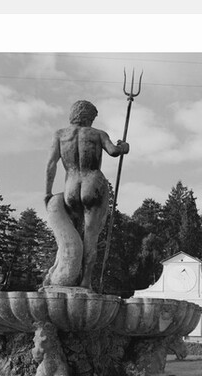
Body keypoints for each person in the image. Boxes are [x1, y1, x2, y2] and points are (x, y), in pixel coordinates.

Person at [45, 100, 129, 290]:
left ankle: (69, 276)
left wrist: (48, 192)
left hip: (70, 188)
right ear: (90, 116)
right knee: (90, 235)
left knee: (72, 234)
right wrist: (124, 147)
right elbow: (114, 151)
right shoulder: (98, 134)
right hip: (92, 183)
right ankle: (85, 282)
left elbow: (51, 165)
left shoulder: (60, 135)